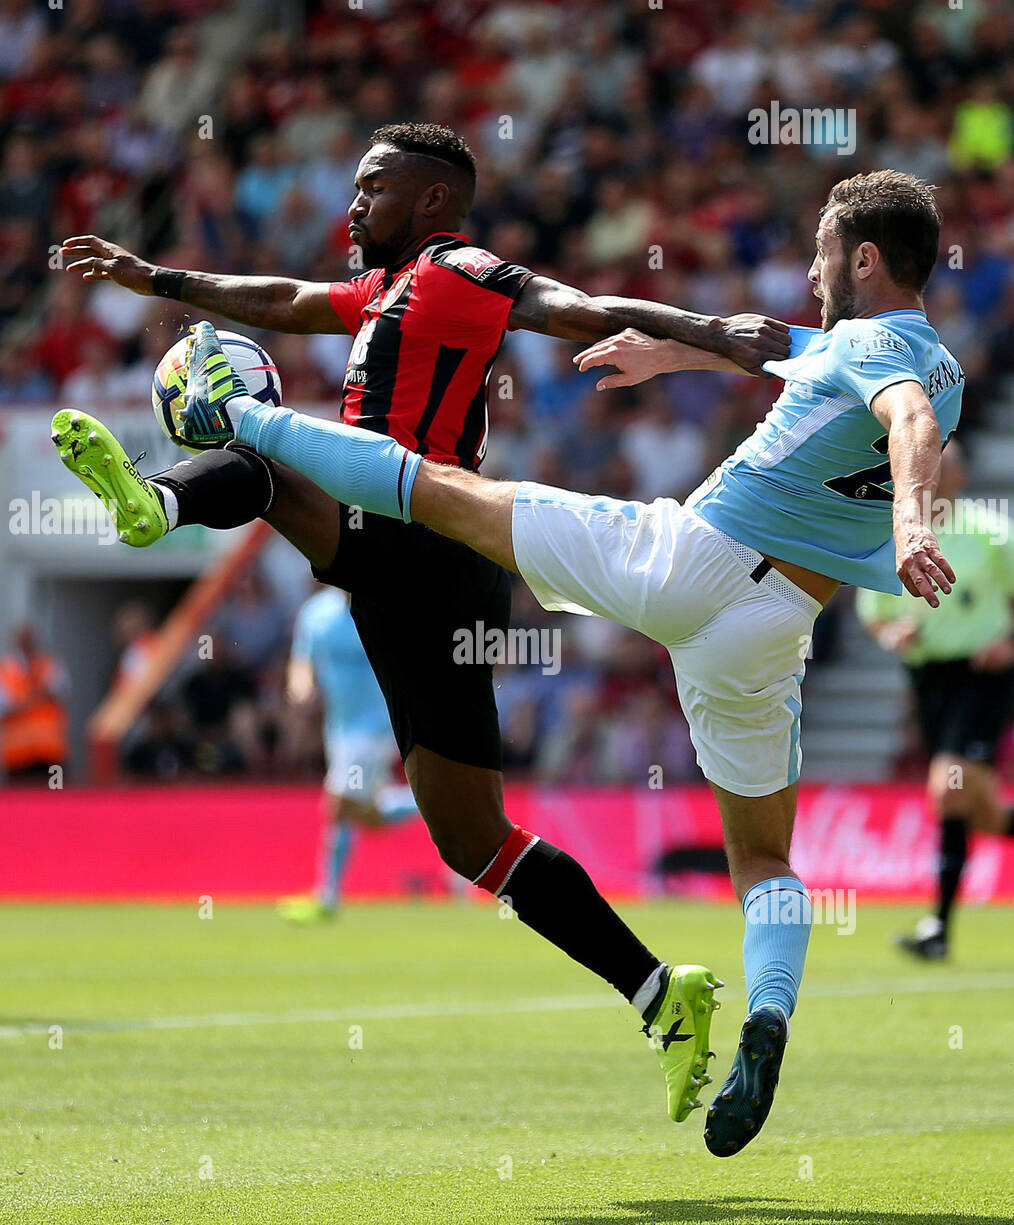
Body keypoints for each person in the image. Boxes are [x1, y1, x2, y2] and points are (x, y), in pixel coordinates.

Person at [55, 162, 961, 1155]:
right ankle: (750, 1013)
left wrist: (914, 520)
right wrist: (676, 354)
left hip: (682, 564)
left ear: (865, 259)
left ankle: (232, 428)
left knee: (430, 489)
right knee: (737, 854)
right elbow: (810, 362)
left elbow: (899, 416)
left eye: (827, 250)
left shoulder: (882, 360)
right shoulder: (923, 361)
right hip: (773, 627)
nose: (813, 265)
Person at [858, 440, 1014, 959]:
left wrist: (1009, 642)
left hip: (983, 674)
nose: (937, 473)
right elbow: (873, 610)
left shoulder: (992, 533)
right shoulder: (899, 537)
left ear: (961, 477)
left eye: (947, 465)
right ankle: (939, 929)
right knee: (984, 811)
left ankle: (938, 929)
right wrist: (890, 635)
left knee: (948, 787)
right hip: (927, 679)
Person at [278, 584, 417, 923]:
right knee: (366, 814)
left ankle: (327, 897)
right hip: (338, 728)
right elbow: (302, 660)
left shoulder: (384, 607)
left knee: (339, 804)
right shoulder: (317, 613)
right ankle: (434, 805)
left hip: (377, 727)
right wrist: (300, 689)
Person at [0, 625, 70, 780]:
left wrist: (30, 698)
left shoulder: (49, 664)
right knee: (21, 801)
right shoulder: (6, 670)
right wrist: (32, 700)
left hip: (50, 752)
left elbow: (61, 691)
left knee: (55, 796)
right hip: (18, 756)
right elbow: (4, 706)